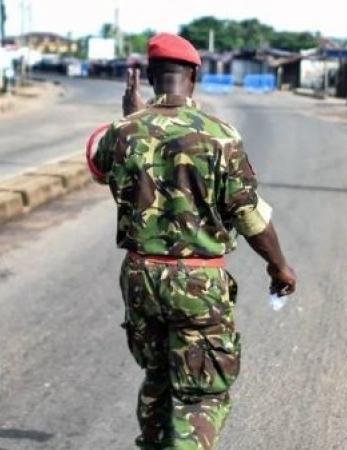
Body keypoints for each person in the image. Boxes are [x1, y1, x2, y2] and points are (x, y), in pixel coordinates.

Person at [91, 33, 297, 450]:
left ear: (150, 77)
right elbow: (247, 212)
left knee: (157, 376)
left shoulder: (122, 132)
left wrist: (131, 117)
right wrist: (278, 265)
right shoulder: (220, 136)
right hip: (197, 284)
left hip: (140, 277)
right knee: (200, 393)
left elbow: (101, 169)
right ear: (196, 75)